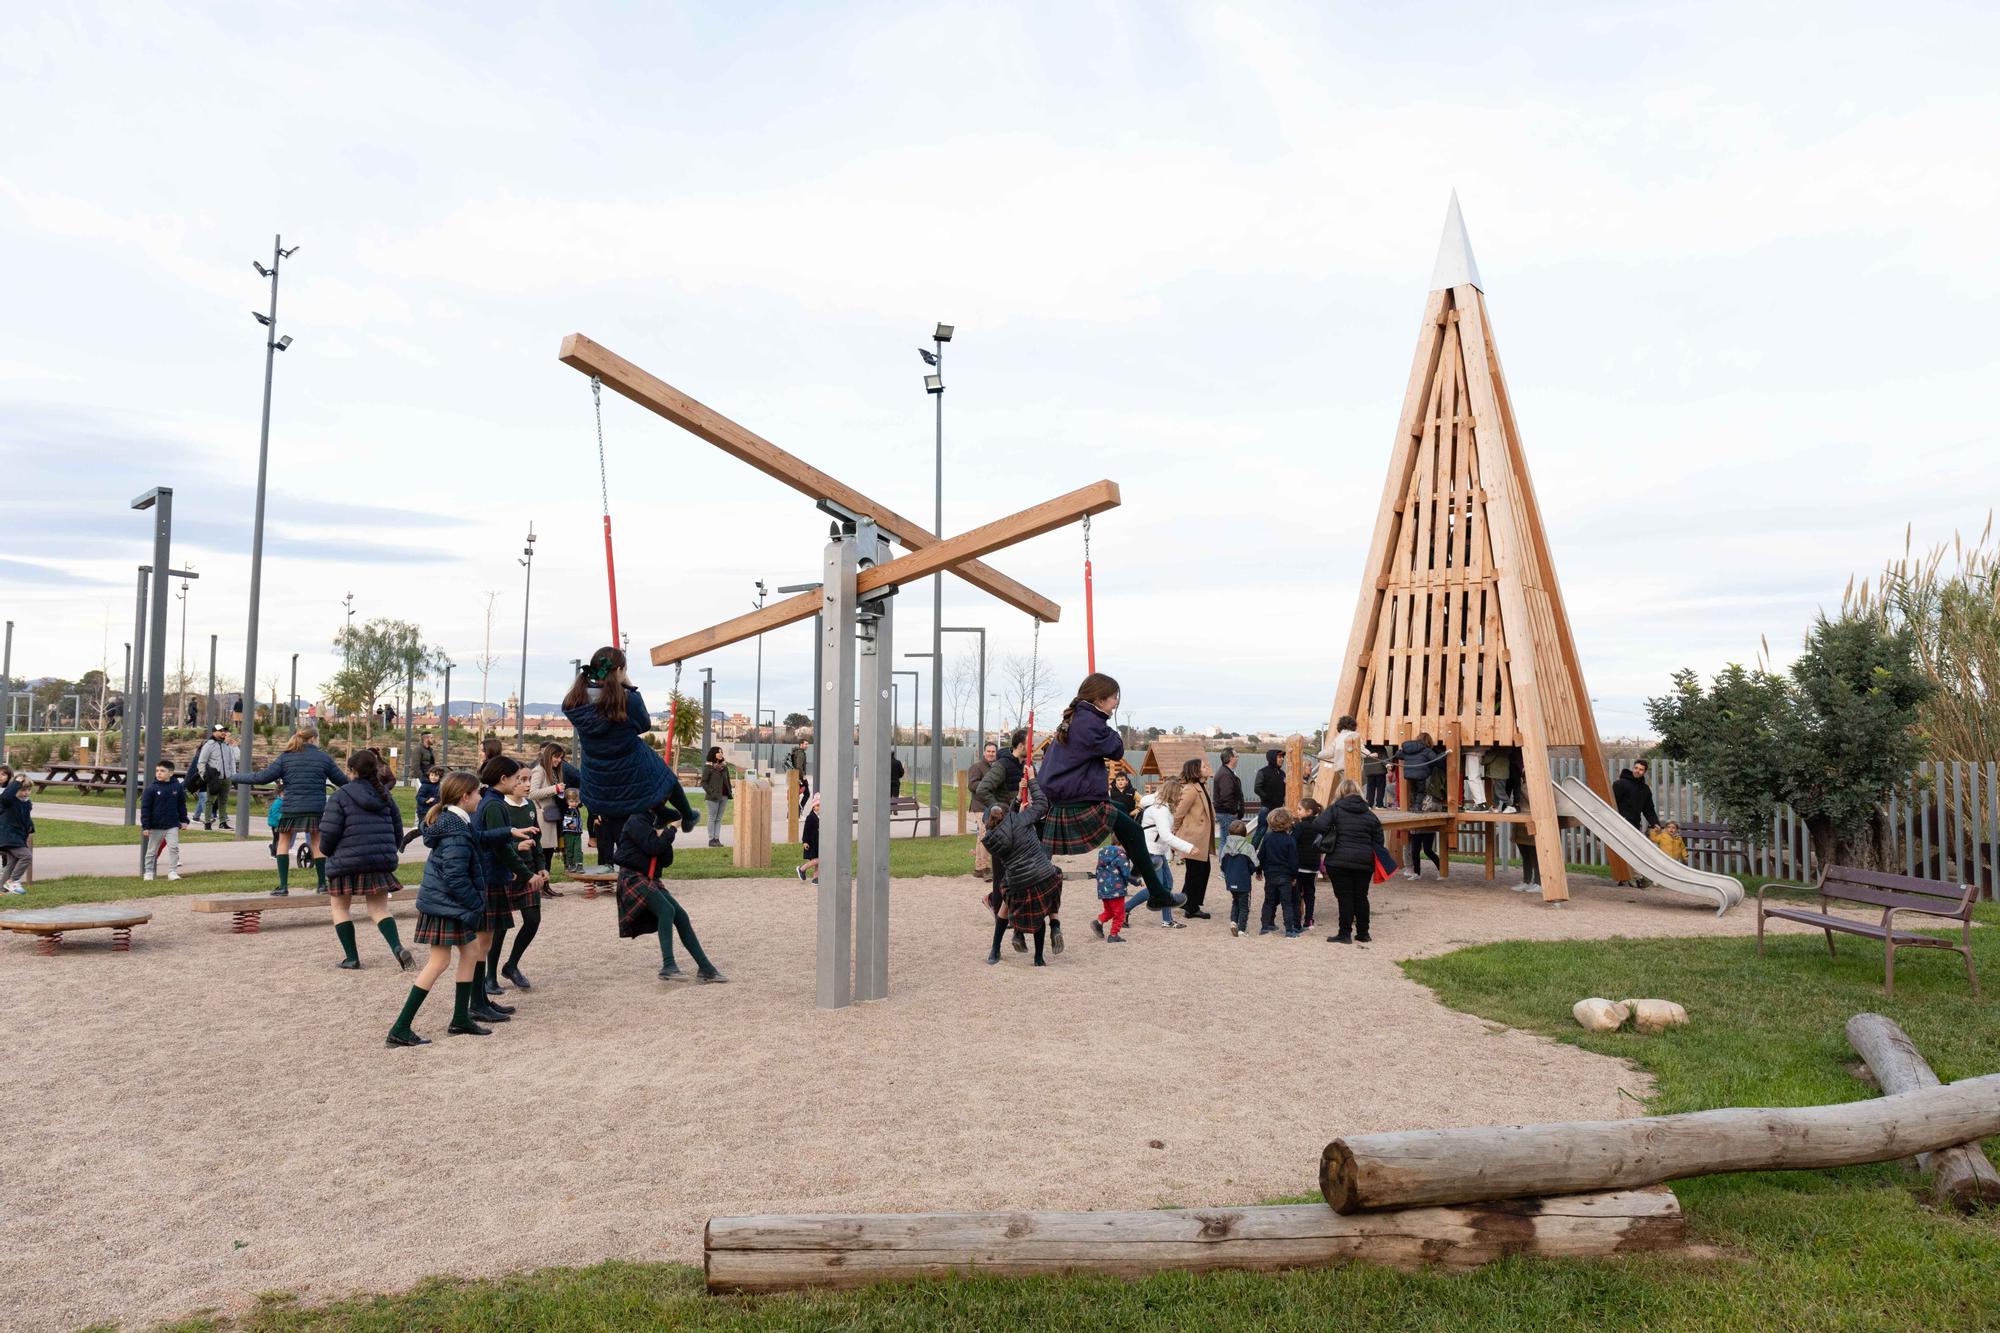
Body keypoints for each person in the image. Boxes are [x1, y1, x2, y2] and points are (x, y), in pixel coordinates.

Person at [1034, 673, 1176, 917]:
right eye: (1113, 697)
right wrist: (1107, 725)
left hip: (1069, 792)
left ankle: (1140, 872)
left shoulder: (1081, 718)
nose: (1116, 703)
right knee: (1131, 830)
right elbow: (1116, 749)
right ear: (1099, 699)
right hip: (1075, 798)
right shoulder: (1089, 723)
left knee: (1122, 816)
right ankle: (1156, 891)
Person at [562, 647, 697, 869]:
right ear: (619, 670)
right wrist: (629, 686)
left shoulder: (574, 700)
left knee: (635, 798)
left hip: (598, 772)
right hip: (629, 762)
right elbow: (643, 725)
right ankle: (687, 815)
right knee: (665, 778)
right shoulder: (626, 699)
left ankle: (662, 815)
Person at [387, 772, 491, 1046]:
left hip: (446, 903)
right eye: (477, 793)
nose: (481, 797)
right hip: (445, 905)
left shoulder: (455, 822)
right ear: (464, 796)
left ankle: (460, 1018)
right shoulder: (454, 828)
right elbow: (455, 876)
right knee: (439, 962)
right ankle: (400, 1027)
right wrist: (476, 903)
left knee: (470, 951)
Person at [318, 748, 413, 971]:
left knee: (340, 908)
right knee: (379, 909)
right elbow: (397, 829)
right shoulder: (385, 795)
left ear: (351, 771)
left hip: (345, 861)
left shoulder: (340, 795)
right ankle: (397, 947)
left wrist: (326, 851)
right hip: (378, 862)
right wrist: (389, 850)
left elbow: (329, 832)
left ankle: (352, 957)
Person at [614, 798, 726, 982]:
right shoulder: (636, 820)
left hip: (649, 877)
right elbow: (653, 846)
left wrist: (664, 832)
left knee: (681, 916)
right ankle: (668, 965)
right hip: (632, 877)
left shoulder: (653, 821)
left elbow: (665, 859)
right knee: (666, 910)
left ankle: (706, 969)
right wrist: (672, 829)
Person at [236, 726, 347, 896]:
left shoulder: (285, 757)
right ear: (313, 739)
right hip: (315, 808)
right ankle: (322, 884)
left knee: (283, 843)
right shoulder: (323, 757)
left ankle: (283, 886)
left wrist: (234, 777)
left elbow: (262, 778)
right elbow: (342, 781)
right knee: (317, 843)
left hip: (291, 808)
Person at [479, 756, 548, 996]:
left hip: (526, 869)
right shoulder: (497, 805)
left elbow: (536, 839)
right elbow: (497, 842)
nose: (527, 784)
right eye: (522, 779)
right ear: (507, 779)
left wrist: (541, 865)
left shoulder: (530, 806)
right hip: (508, 871)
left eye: (528, 779)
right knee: (499, 927)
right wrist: (515, 847)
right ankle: (489, 976)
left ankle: (511, 965)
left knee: (533, 920)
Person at [981, 779, 1062, 965]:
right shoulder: (1020, 820)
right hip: (1044, 876)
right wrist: (1033, 780)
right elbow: (1042, 804)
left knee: (1005, 903)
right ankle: (1041, 953)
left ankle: (996, 949)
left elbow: (1006, 822)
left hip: (1018, 884)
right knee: (1048, 892)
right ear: (1007, 815)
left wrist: (1018, 800)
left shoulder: (991, 841)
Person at [1315, 778, 1385, 944]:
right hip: (1364, 861)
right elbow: (1379, 840)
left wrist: (1333, 830)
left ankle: (1344, 933)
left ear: (1340, 792)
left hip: (1338, 860)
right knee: (1361, 897)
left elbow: (1318, 825)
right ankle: (1363, 933)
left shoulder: (1335, 809)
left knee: (1345, 897)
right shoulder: (1369, 814)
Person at [1131, 781, 1190, 928]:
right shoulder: (1160, 810)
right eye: (1180, 794)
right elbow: (1165, 835)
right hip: (1151, 851)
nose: (1182, 797)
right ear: (1172, 793)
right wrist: (1188, 848)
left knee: (1167, 883)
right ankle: (1125, 909)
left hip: (1156, 850)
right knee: (1157, 888)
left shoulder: (1164, 807)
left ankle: (1167, 920)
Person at [1172, 757, 1215, 919]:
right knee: (1196, 872)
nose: (1206, 768)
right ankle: (1191, 906)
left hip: (1200, 837)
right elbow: (1179, 813)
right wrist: (1173, 833)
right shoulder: (1191, 789)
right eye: (1203, 766)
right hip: (1193, 837)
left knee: (1201, 871)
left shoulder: (1201, 786)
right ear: (1196, 770)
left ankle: (1187, 901)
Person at [139, 760, 189, 882]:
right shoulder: (151, 789)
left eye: (162, 771)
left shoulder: (177, 787)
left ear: (170, 773)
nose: (159, 773)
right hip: (156, 826)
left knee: (174, 848)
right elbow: (145, 809)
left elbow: (181, 805)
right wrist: (146, 826)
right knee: (151, 851)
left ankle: (172, 872)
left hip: (172, 825)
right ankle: (149, 872)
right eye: (157, 771)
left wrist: (184, 820)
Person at [527, 742, 572, 876]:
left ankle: (546, 886)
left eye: (561, 757)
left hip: (551, 817)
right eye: (556, 757)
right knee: (542, 853)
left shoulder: (552, 771)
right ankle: (541, 886)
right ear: (548, 755)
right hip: (542, 818)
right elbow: (532, 793)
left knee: (549, 853)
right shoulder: (539, 771)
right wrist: (555, 789)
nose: (558, 760)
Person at [1256, 807, 1301, 936]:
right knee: (1287, 903)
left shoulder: (1267, 838)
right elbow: (1294, 861)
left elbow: (1261, 856)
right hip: (1285, 876)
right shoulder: (1290, 840)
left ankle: (1265, 926)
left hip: (1270, 875)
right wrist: (1294, 876)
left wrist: (1259, 870)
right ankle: (1289, 930)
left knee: (1269, 901)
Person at [1091, 839, 1141, 943]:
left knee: (1110, 910)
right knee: (1120, 913)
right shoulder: (1121, 856)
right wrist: (1137, 881)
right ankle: (1113, 935)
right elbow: (1126, 874)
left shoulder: (1103, 853)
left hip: (1103, 889)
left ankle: (1098, 922)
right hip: (1116, 890)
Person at [192, 723, 237, 831]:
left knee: (223, 800)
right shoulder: (209, 744)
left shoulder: (226, 745)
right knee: (210, 801)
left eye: (224, 731)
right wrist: (204, 776)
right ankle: (207, 823)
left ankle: (223, 822)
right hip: (214, 778)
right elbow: (202, 761)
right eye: (220, 731)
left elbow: (231, 761)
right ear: (214, 732)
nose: (223, 733)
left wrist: (232, 774)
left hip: (227, 777)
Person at [1218, 819, 1258, 937]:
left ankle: (1233, 921)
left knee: (1235, 901)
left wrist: (1227, 873)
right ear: (1245, 834)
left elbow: (1222, 863)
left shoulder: (1225, 847)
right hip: (1244, 880)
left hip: (1231, 879)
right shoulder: (1249, 848)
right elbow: (1255, 863)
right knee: (1244, 905)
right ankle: (1242, 928)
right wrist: (1251, 871)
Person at [964, 741, 998, 880]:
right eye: (989, 751)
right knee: (985, 836)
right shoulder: (977, 767)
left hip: (992, 806)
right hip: (980, 807)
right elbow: (972, 785)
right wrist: (988, 784)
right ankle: (985, 868)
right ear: (984, 752)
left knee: (982, 837)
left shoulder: (996, 767)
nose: (991, 754)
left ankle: (979, 868)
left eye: (993, 751)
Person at [0, 767, 36, 893]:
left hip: (19, 836)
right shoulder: (8, 802)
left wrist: (30, 827)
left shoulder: (26, 803)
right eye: (22, 790)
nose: (26, 793)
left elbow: (25, 818)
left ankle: (2, 889)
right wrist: (16, 782)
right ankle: (13, 881)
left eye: (28, 790)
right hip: (9, 836)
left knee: (12, 863)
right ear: (15, 789)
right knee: (26, 856)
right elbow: (5, 796)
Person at [1293, 796, 1324, 930]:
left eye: (1300, 809)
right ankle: (1309, 919)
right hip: (1313, 866)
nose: (1297, 811)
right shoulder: (1319, 826)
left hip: (1300, 865)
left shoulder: (1300, 826)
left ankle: (1297, 919)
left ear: (1309, 812)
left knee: (1296, 894)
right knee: (1310, 894)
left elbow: (1292, 842)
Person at [701, 746, 733, 848]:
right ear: (713, 754)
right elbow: (704, 782)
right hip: (713, 797)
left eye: (721, 752)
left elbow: (727, 780)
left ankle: (717, 839)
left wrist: (729, 791)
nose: (721, 754)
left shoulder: (724, 767)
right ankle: (711, 839)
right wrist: (711, 792)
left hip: (724, 796)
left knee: (719, 819)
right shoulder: (709, 767)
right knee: (712, 818)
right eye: (718, 752)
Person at [1213, 748, 1244, 848]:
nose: (1238, 758)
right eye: (1236, 756)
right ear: (1231, 758)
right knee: (1227, 842)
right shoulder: (1225, 774)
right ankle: (1224, 862)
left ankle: (1224, 862)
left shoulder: (1227, 772)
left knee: (1226, 841)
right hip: (1227, 813)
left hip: (1226, 812)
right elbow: (1226, 796)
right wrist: (1234, 811)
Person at [1615, 761, 1659, 831]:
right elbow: (1612, 801)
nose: (1637, 771)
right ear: (1633, 768)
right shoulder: (1620, 783)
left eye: (1641, 769)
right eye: (1636, 768)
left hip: (1635, 824)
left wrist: (1654, 823)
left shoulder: (1645, 789)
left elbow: (1649, 809)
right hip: (1619, 822)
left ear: (1644, 772)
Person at [1252, 748, 1285, 835]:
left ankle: (1269, 849)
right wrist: (1268, 798)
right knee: (1261, 831)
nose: (1282, 759)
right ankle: (1252, 849)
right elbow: (1257, 788)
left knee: (1275, 833)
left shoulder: (1282, 773)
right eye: (1279, 757)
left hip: (1279, 809)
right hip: (1266, 808)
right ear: (1272, 758)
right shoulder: (1263, 772)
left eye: (1282, 757)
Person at [796, 791, 820, 884]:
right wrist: (805, 841)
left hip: (818, 843)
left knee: (818, 863)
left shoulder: (820, 817)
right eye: (816, 805)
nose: (818, 807)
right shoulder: (810, 817)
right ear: (813, 807)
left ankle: (815, 878)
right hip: (812, 843)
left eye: (820, 805)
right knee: (818, 860)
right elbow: (806, 830)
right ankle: (802, 869)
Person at [560, 791, 586, 873]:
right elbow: (566, 819)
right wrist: (569, 824)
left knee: (578, 849)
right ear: (567, 802)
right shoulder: (568, 810)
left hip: (577, 833)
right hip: (569, 833)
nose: (574, 803)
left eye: (576, 801)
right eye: (571, 801)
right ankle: (570, 864)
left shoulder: (576, 809)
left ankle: (579, 865)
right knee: (569, 849)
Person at [414, 766, 443, 832]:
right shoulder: (425, 785)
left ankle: (430, 841)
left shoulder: (439, 786)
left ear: (439, 777)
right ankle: (404, 841)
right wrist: (426, 800)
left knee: (432, 828)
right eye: (432, 775)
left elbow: (439, 797)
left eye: (436, 776)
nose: (433, 777)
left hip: (434, 811)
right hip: (423, 811)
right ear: (429, 775)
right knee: (422, 829)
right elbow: (418, 797)